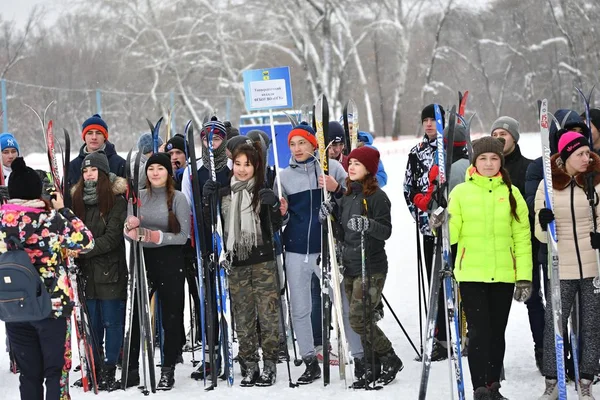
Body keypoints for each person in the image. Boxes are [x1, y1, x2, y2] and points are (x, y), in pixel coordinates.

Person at [442, 136, 532, 399]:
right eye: (483, 158)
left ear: (501, 161)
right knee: (479, 331)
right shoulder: (460, 192)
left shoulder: (512, 193)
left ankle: (494, 386)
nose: (489, 163)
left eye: (494, 158)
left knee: (496, 333)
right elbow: (453, 236)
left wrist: (524, 277)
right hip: (471, 273)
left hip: (504, 273)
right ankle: (479, 387)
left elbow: (522, 239)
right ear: (474, 162)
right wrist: (443, 222)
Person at [1, 157, 94, 400]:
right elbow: (86, 241)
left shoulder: (1, 224)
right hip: (51, 306)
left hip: (15, 307)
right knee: (55, 373)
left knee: (28, 374)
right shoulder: (51, 220)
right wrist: (62, 208)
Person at [320, 145, 402, 386]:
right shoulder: (347, 196)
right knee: (361, 317)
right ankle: (372, 364)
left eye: (357, 163)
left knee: (358, 318)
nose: (351, 167)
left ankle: (389, 357)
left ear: (369, 169)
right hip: (351, 264)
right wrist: (330, 214)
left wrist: (367, 224)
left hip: (372, 266)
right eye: (351, 162)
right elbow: (342, 231)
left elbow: (385, 231)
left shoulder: (377, 197)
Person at [277, 121, 347, 384]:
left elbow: (351, 202)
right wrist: (281, 214)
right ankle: (309, 360)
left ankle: (358, 355)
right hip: (295, 250)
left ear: (313, 144)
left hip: (326, 248)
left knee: (342, 302)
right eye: (292, 144)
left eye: (302, 143)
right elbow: (278, 220)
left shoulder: (332, 168)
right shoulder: (282, 177)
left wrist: (335, 189)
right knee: (300, 309)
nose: (296, 149)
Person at [535, 132, 600, 400]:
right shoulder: (547, 185)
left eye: (587, 153)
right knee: (555, 325)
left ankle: (586, 380)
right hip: (561, 266)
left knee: (592, 325)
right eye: (580, 154)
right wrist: (543, 221)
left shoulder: (595, 182)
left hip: (592, 266)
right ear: (566, 157)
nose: (587, 158)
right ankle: (553, 380)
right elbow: (540, 236)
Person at [524, 109, 589, 376]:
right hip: (553, 250)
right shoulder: (540, 166)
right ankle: (557, 364)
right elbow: (534, 203)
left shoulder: (589, 163)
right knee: (557, 313)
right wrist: (545, 217)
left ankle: (585, 364)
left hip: (585, 253)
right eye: (569, 132)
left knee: (587, 315)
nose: (576, 137)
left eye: (580, 132)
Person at [123, 152, 190, 390]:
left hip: (170, 260)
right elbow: (128, 233)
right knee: (137, 314)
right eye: (151, 169)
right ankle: (131, 369)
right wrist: (129, 229)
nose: (155, 173)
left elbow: (183, 236)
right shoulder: (137, 197)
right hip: (143, 260)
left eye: (160, 169)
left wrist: (156, 236)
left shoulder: (179, 198)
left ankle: (168, 368)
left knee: (172, 315)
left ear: (167, 172)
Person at [220, 142, 283, 386]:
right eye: (238, 164)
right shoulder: (226, 193)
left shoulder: (262, 190)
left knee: (267, 314)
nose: (242, 169)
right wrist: (207, 201)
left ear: (255, 166)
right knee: (243, 317)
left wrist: (274, 206)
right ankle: (249, 364)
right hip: (237, 263)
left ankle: (269, 364)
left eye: (247, 164)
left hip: (263, 262)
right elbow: (215, 228)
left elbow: (275, 226)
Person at [70, 151, 128, 391]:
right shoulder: (77, 200)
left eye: (93, 170)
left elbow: (112, 238)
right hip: (85, 274)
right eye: (85, 170)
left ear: (103, 173)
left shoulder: (117, 201)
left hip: (110, 272)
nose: (89, 174)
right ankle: (94, 366)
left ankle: (109, 367)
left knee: (111, 323)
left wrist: (82, 249)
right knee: (91, 324)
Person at [181, 117, 230, 381]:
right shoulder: (194, 170)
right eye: (207, 138)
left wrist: (221, 192)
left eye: (217, 138)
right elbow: (187, 207)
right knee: (209, 301)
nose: (212, 143)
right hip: (204, 242)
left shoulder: (234, 166)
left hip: (228, 241)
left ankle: (234, 353)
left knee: (228, 301)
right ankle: (210, 358)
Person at [403, 104, 447, 361]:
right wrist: (420, 216)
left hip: (455, 227)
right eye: (426, 120)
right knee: (434, 284)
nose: (429, 124)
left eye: (434, 119)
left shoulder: (455, 147)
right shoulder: (416, 152)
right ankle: (437, 338)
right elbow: (408, 188)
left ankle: (460, 334)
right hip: (429, 226)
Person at [67, 114, 126, 191]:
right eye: (90, 133)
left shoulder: (120, 164)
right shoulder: (72, 166)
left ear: (105, 137)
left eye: (98, 133)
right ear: (84, 137)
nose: (94, 137)